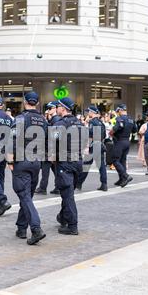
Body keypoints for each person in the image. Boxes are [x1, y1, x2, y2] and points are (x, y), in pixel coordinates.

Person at [7, 91, 48, 245]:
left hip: (22, 161)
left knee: (24, 195)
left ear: (25, 102)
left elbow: (12, 140)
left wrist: (10, 161)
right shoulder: (43, 120)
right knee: (27, 196)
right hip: (36, 162)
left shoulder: (20, 118)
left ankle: (36, 229)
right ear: (37, 103)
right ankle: (21, 227)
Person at [51, 97, 83, 235]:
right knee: (68, 192)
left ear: (63, 108)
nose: (57, 108)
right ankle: (63, 217)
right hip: (78, 161)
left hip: (66, 162)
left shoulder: (61, 123)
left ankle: (72, 225)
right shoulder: (80, 123)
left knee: (68, 195)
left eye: (58, 106)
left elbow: (54, 141)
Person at [77, 106, 108, 191]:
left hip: (93, 145)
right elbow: (104, 135)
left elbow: (90, 132)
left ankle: (79, 184)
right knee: (102, 166)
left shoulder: (92, 122)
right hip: (100, 144)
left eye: (89, 112)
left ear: (92, 112)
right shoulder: (101, 123)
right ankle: (104, 184)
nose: (88, 113)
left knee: (86, 165)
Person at [35, 101, 60, 195]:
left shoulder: (55, 120)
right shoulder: (54, 119)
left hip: (50, 149)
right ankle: (58, 187)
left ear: (55, 109)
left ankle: (42, 187)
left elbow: (54, 136)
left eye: (50, 108)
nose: (48, 110)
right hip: (51, 148)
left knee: (45, 169)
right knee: (54, 169)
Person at [111, 104, 137, 187]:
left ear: (120, 110)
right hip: (127, 141)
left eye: (118, 111)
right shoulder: (131, 119)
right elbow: (135, 130)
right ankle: (122, 179)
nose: (117, 113)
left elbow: (115, 129)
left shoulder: (119, 119)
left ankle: (125, 176)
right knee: (122, 161)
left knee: (115, 160)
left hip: (119, 141)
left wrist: (111, 133)